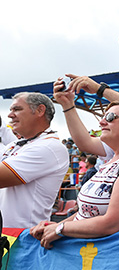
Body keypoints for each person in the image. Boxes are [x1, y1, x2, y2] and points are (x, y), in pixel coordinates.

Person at [30, 100, 119, 249]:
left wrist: (61, 229)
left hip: (115, 256)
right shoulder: (113, 161)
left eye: (110, 117)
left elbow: (113, 223)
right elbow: (85, 214)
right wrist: (55, 227)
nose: (102, 122)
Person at [0, 92, 69, 228]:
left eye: (17, 109)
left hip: (22, 239)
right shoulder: (17, 145)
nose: (10, 115)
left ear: (40, 110)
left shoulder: (49, 147)